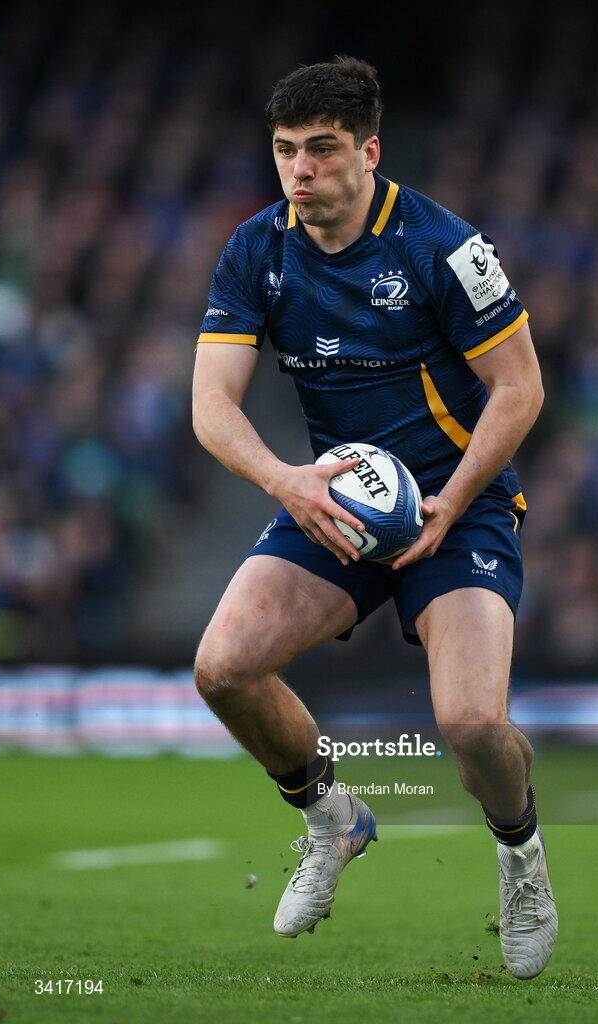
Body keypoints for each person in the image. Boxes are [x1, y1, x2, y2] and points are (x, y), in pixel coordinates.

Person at [192, 55, 557, 979]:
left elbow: (519, 388)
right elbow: (210, 405)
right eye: (285, 151)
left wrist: (456, 501)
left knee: (473, 726)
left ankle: (520, 855)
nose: (300, 170)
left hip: (455, 506)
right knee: (223, 667)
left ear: (370, 151)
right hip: (333, 500)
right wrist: (287, 483)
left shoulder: (442, 246)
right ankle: (333, 819)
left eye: (322, 149)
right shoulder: (255, 250)